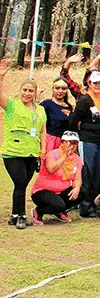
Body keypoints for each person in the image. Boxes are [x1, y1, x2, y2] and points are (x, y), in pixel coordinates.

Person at [0, 60, 48, 229]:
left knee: (21, 185)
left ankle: (14, 215)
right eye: (24, 90)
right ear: (20, 91)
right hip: (13, 152)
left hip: (31, 153)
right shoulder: (12, 105)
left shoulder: (40, 110)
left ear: (35, 93)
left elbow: (43, 131)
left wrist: (43, 150)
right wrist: (1, 77)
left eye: (30, 91)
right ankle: (21, 215)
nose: (27, 93)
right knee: (20, 182)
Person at [70, 70, 100, 217]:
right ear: (90, 83)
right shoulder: (85, 100)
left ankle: (92, 202)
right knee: (87, 171)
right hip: (87, 140)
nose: (99, 86)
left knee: (99, 173)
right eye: (96, 83)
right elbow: (73, 121)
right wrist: (77, 139)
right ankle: (84, 204)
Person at [30, 131, 81, 226]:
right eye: (69, 142)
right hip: (42, 191)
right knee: (58, 205)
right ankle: (38, 211)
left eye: (75, 143)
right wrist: (64, 156)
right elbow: (51, 169)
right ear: (62, 142)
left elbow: (77, 178)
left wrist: (77, 188)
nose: (72, 145)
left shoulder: (77, 158)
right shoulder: (52, 154)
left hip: (61, 191)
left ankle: (60, 211)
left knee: (82, 192)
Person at [40, 78, 74, 152]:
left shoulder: (69, 107)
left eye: (63, 88)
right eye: (57, 88)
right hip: (49, 142)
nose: (60, 91)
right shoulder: (46, 104)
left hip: (64, 143)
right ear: (53, 89)